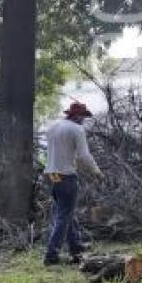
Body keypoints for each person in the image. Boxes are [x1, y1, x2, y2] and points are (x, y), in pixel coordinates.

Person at [43, 101, 103, 265]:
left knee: (66, 212)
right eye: (83, 116)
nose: (84, 120)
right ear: (77, 116)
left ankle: (76, 248)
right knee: (63, 215)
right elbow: (84, 156)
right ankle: (51, 254)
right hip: (66, 176)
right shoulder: (77, 129)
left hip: (52, 175)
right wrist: (96, 172)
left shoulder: (53, 126)